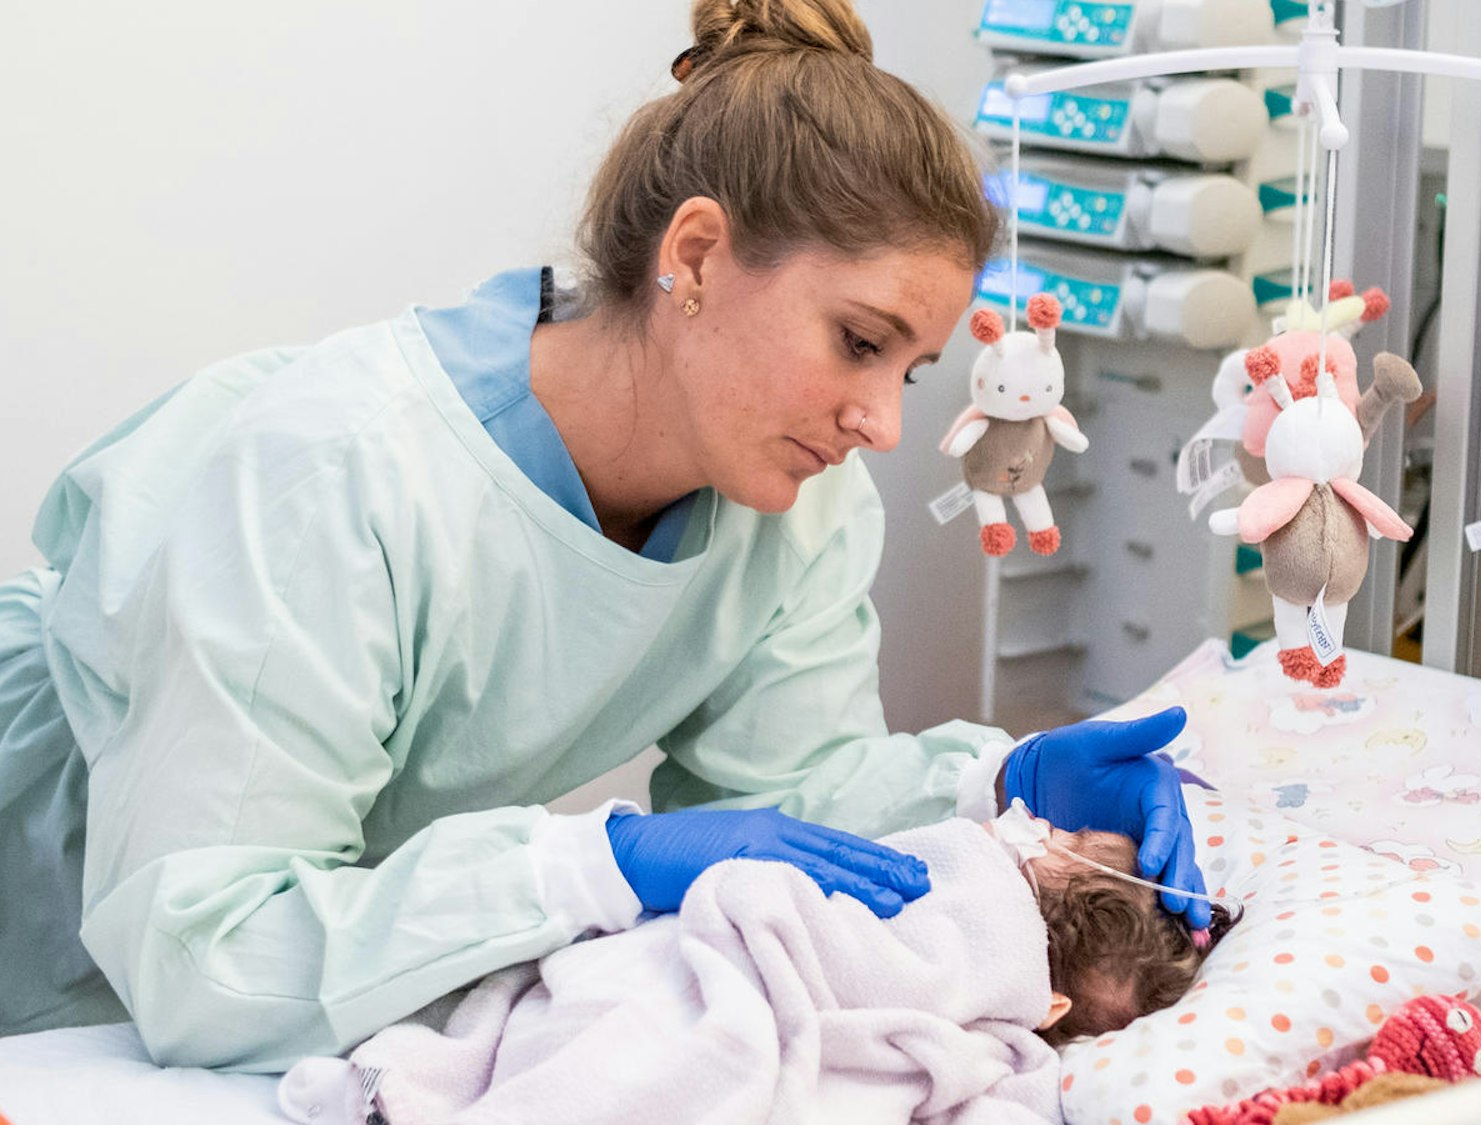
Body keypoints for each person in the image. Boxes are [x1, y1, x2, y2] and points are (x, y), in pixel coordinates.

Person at [0, 0, 1207, 1072]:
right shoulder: (336, 470)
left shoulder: (792, 495)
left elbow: (791, 786)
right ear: (694, 257)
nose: (883, 423)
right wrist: (596, 866)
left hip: (315, 936)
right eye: (857, 340)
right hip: (58, 896)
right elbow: (203, 955)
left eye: (912, 367)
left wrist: (996, 779)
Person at [275, 806, 1233, 1123]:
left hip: (722, 965)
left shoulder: (989, 914)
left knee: (615, 1026)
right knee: (649, 1016)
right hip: (734, 951)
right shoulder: (964, 877)